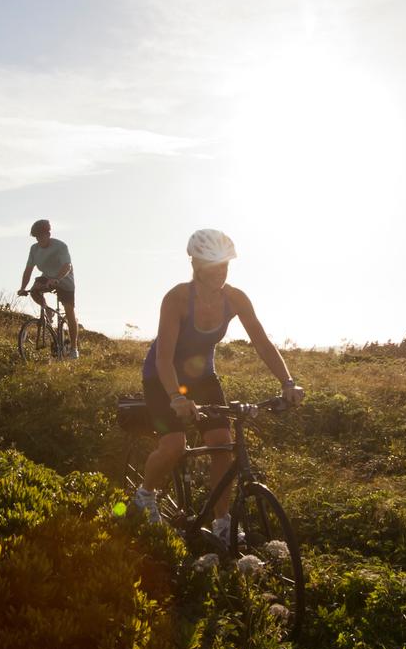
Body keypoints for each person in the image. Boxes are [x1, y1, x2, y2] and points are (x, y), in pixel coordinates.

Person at [130, 228, 304, 541]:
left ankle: (223, 523)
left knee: (223, 443)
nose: (220, 272)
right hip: (162, 376)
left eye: (225, 265)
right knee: (173, 445)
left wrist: (287, 382)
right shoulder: (177, 298)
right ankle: (145, 495)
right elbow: (164, 358)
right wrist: (175, 397)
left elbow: (262, 343)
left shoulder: (235, 298)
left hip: (202, 376)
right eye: (213, 265)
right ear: (196, 265)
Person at [17, 218, 79, 357]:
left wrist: (57, 279)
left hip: (64, 279)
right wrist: (22, 288)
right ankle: (48, 312)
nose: (39, 239)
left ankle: (74, 349)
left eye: (41, 236)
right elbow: (28, 270)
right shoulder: (34, 249)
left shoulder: (60, 246)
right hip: (47, 276)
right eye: (36, 237)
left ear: (48, 234)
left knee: (69, 311)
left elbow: (67, 266)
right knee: (34, 291)